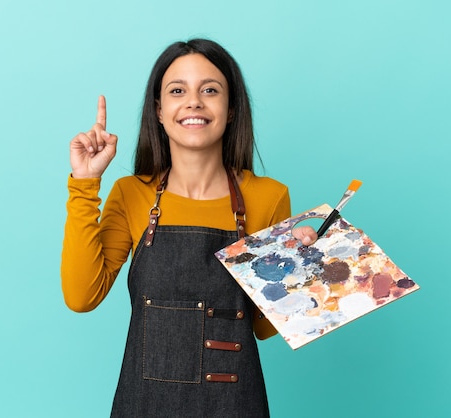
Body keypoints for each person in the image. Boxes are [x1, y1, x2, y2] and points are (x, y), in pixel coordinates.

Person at [61, 38, 317, 417]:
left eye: (210, 90)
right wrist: (84, 185)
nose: (194, 101)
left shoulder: (269, 197)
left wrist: (298, 267)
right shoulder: (131, 194)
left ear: (230, 110)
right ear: (160, 111)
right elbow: (81, 297)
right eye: (178, 90)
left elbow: (261, 329)